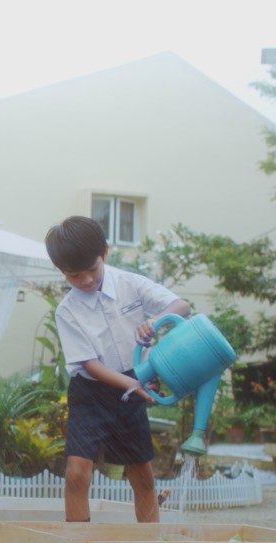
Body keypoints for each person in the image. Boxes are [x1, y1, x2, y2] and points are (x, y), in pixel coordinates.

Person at [44, 215, 191, 523]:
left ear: (105, 253)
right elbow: (89, 364)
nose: (85, 280)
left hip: (133, 382)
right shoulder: (67, 311)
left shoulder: (130, 284)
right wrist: (131, 386)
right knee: (76, 473)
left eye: (92, 270)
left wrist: (154, 321)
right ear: (62, 272)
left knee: (141, 473)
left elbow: (180, 306)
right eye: (74, 275)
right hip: (91, 392)